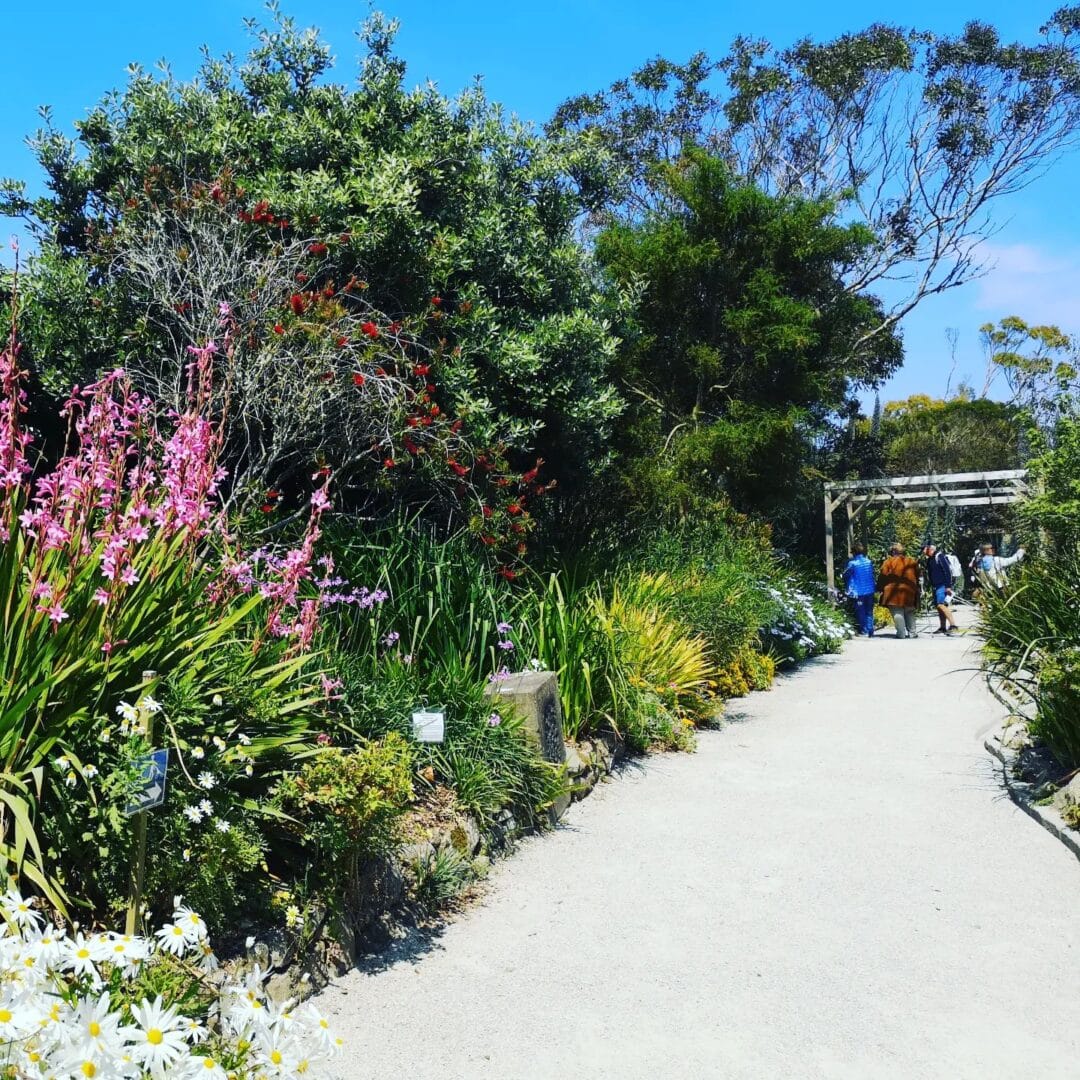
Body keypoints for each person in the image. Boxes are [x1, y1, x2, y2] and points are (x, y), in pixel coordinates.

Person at [878, 543, 920, 639]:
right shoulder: (911, 561)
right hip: (909, 590)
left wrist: (880, 588)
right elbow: (919, 575)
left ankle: (901, 633)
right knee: (909, 611)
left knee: (897, 611)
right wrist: (918, 587)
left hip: (893, 592)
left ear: (893, 551)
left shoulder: (888, 562)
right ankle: (912, 632)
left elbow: (883, 575)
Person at [922, 543, 958, 636]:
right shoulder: (930, 559)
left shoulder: (940, 557)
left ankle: (953, 625)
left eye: (924, 549)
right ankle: (943, 627)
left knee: (941, 605)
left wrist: (948, 586)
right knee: (939, 607)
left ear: (930, 549)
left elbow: (947, 571)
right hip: (935, 585)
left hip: (942, 585)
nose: (923, 552)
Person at [843, 542, 877, 637]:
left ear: (853, 552)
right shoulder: (868, 561)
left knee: (860, 610)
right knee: (869, 610)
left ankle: (864, 630)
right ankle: (870, 629)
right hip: (870, 590)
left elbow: (846, 575)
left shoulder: (852, 563)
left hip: (858, 592)